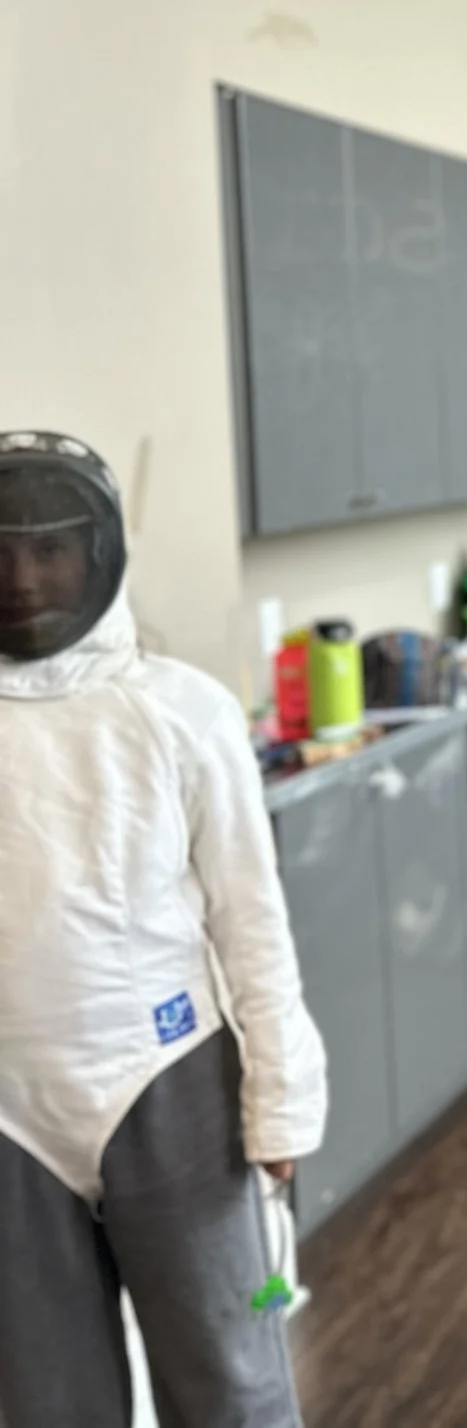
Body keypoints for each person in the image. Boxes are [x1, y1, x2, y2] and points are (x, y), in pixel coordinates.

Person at [0, 432, 328, 1427]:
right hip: (9, 1109)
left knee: (228, 1381)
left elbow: (250, 919)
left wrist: (281, 1101)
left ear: (97, 552)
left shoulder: (180, 711)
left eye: (50, 548)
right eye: (0, 550)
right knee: (44, 1404)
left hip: (167, 1075)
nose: (23, 577)